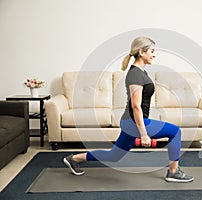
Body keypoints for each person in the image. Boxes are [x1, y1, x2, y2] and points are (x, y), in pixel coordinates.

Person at [63, 36, 194, 183]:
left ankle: (73, 159)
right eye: (151, 51)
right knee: (175, 132)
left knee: (114, 156)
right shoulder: (135, 75)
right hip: (135, 122)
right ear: (141, 52)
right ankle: (173, 171)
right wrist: (144, 134)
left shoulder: (140, 72)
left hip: (129, 122)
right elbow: (136, 106)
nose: (154, 54)